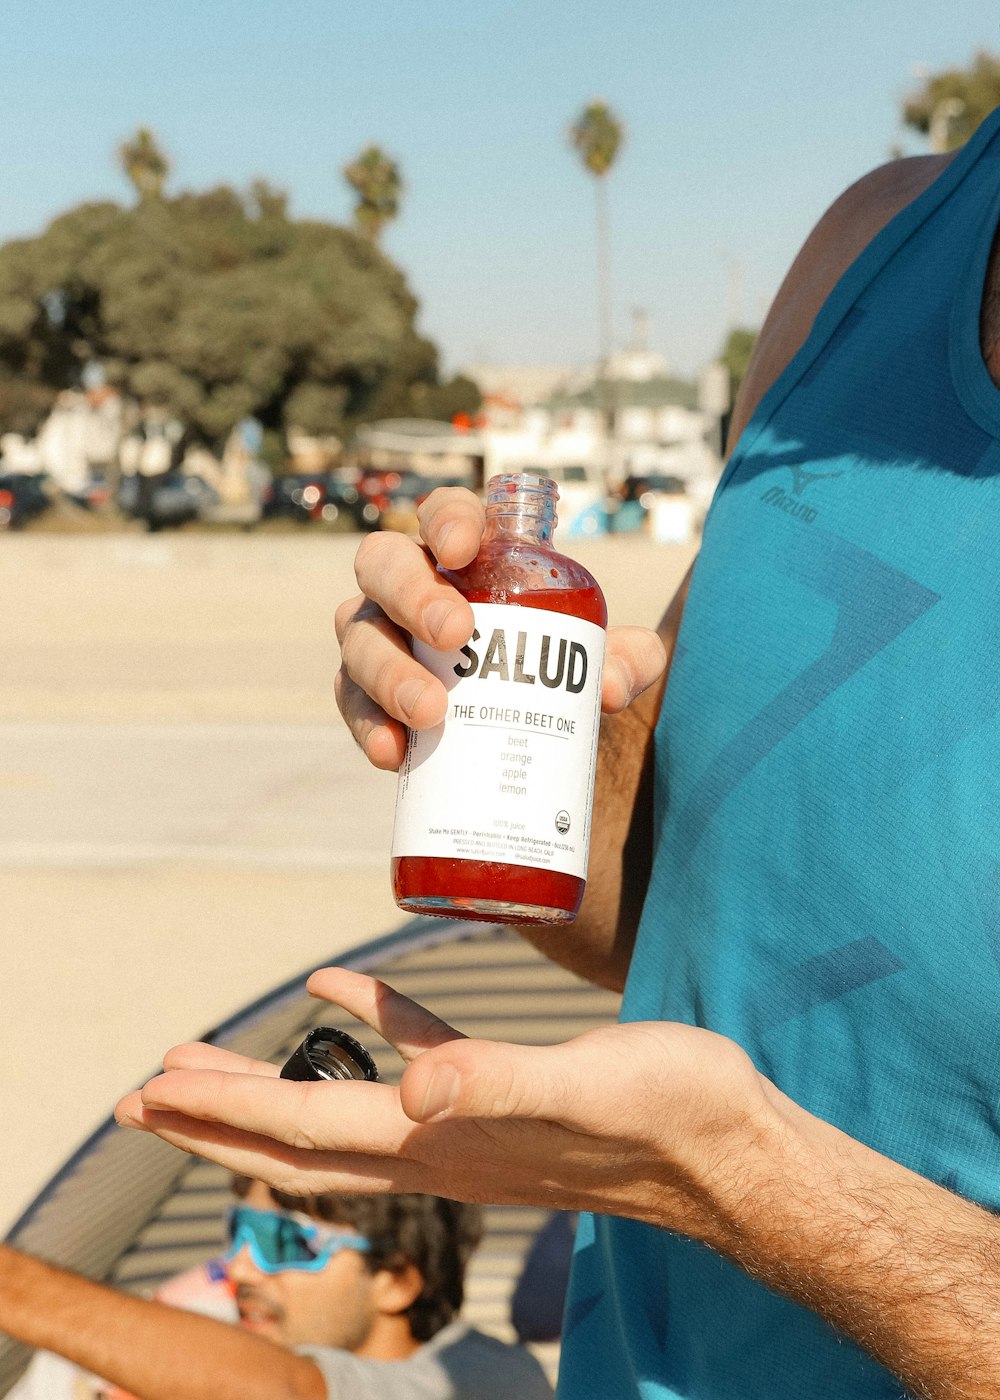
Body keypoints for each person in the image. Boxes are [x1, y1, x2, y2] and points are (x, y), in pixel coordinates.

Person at [115, 106, 1000, 1400]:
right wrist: (498, 707)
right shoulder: (875, 247)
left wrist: (750, 1187)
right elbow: (652, 917)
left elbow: (740, 1155)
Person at [0, 1181, 553, 1400]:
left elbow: (285, 1392)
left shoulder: (482, 1378)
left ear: (396, 1280)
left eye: (281, 1239)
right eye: (239, 1232)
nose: (237, 1268)